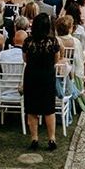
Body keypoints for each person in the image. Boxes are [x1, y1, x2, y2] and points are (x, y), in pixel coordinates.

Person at [23, 12, 60, 151]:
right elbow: (56, 59)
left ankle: (34, 139)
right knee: (49, 108)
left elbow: (25, 59)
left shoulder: (28, 41)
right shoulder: (53, 42)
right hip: (47, 75)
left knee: (32, 109)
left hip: (32, 75)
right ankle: (52, 138)